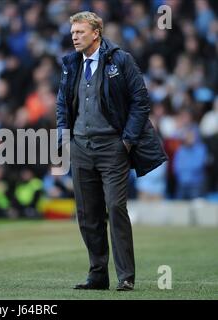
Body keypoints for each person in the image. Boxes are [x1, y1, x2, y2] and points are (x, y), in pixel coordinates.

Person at [56, 11, 167, 291]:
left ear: (96, 33)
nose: (74, 37)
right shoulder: (70, 64)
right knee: (87, 213)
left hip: (112, 147)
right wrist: (63, 136)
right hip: (81, 147)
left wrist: (127, 142)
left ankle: (126, 276)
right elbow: (62, 104)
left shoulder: (121, 60)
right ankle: (97, 275)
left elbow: (140, 102)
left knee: (116, 207)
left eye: (80, 32)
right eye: (72, 33)